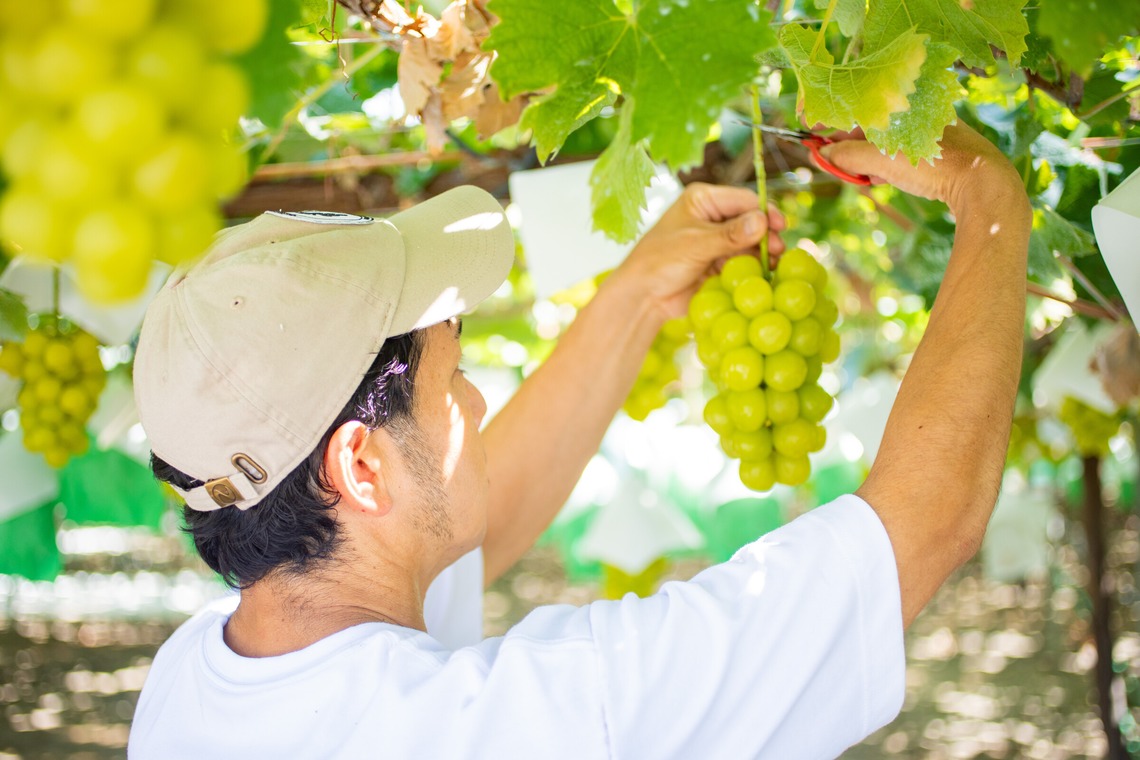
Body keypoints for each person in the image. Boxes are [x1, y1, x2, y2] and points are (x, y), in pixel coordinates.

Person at [127, 122, 1031, 759]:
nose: (477, 406)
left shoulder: (197, 684)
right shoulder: (551, 721)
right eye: (458, 376)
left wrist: (638, 292)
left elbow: (471, 510)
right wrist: (987, 198)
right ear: (361, 467)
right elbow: (924, 522)